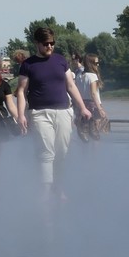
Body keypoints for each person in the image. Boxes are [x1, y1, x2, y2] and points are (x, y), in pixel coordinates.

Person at [15, 27, 92, 197]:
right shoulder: (28, 64)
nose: (50, 47)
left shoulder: (60, 61)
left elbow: (71, 86)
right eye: (46, 44)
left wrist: (83, 107)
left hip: (63, 111)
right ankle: (46, 191)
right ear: (37, 44)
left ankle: (58, 184)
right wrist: (21, 115)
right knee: (46, 152)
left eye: (52, 43)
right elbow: (21, 91)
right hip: (39, 113)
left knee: (62, 151)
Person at [75, 53, 109, 141]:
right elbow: (93, 94)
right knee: (95, 133)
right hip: (93, 105)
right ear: (91, 64)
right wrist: (100, 109)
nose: (98, 65)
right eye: (96, 63)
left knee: (85, 132)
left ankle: (84, 153)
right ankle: (96, 154)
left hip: (82, 105)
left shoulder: (79, 76)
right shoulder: (92, 76)